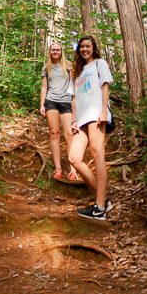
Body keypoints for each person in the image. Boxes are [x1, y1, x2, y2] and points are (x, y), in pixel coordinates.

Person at [69, 35, 114, 221]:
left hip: (96, 114)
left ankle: (100, 208)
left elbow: (105, 87)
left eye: (88, 46)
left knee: (97, 154)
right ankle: (103, 200)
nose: (84, 49)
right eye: (82, 46)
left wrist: (104, 111)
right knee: (74, 158)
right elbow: (74, 99)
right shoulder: (76, 72)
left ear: (93, 48)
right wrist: (73, 120)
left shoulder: (99, 64)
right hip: (81, 119)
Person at [40, 41, 78, 181]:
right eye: (53, 50)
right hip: (51, 101)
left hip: (66, 102)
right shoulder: (46, 68)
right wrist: (42, 104)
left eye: (58, 50)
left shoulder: (68, 66)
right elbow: (44, 87)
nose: (55, 52)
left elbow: (74, 84)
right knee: (54, 133)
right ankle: (58, 168)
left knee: (69, 134)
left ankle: (73, 169)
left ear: (61, 52)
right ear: (50, 52)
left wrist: (74, 101)